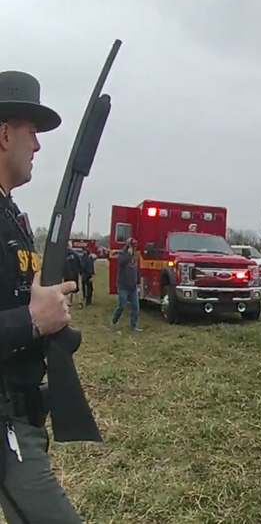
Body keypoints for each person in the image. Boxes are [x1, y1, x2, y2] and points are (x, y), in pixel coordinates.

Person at [0, 70, 86, 522]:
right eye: (32, 133)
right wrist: (33, 320)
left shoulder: (10, 215)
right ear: (4, 134)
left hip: (22, 412)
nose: (37, 146)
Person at [110, 237, 141, 332]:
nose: (135, 248)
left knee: (135, 307)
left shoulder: (135, 257)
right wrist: (128, 255)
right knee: (122, 305)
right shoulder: (122, 255)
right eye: (133, 246)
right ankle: (114, 321)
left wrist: (138, 282)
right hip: (123, 285)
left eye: (135, 246)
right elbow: (122, 262)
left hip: (133, 286)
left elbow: (137, 270)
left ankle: (133, 326)